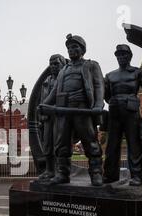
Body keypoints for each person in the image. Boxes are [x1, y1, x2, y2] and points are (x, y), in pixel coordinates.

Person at [43, 34, 105, 187]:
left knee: (90, 141)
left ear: (82, 49)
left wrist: (98, 104)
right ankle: (63, 174)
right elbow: (55, 90)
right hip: (63, 110)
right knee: (62, 143)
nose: (71, 50)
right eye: (69, 48)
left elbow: (99, 85)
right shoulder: (64, 69)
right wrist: (45, 104)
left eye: (75, 47)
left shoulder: (91, 65)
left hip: (82, 109)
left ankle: (96, 174)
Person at [103, 45, 142, 186]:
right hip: (114, 112)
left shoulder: (138, 73)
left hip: (131, 112)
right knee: (112, 145)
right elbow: (106, 95)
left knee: (134, 144)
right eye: (119, 55)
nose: (121, 57)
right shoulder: (109, 75)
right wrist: (115, 101)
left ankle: (137, 175)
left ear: (130, 56)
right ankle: (110, 175)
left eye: (124, 55)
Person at [37, 54, 67, 182]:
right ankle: (49, 170)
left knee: (59, 144)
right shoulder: (47, 81)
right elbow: (41, 99)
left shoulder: (65, 80)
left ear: (62, 64)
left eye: (56, 63)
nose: (53, 66)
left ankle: (61, 171)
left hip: (60, 116)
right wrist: (40, 117)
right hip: (47, 117)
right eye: (51, 64)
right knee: (47, 144)